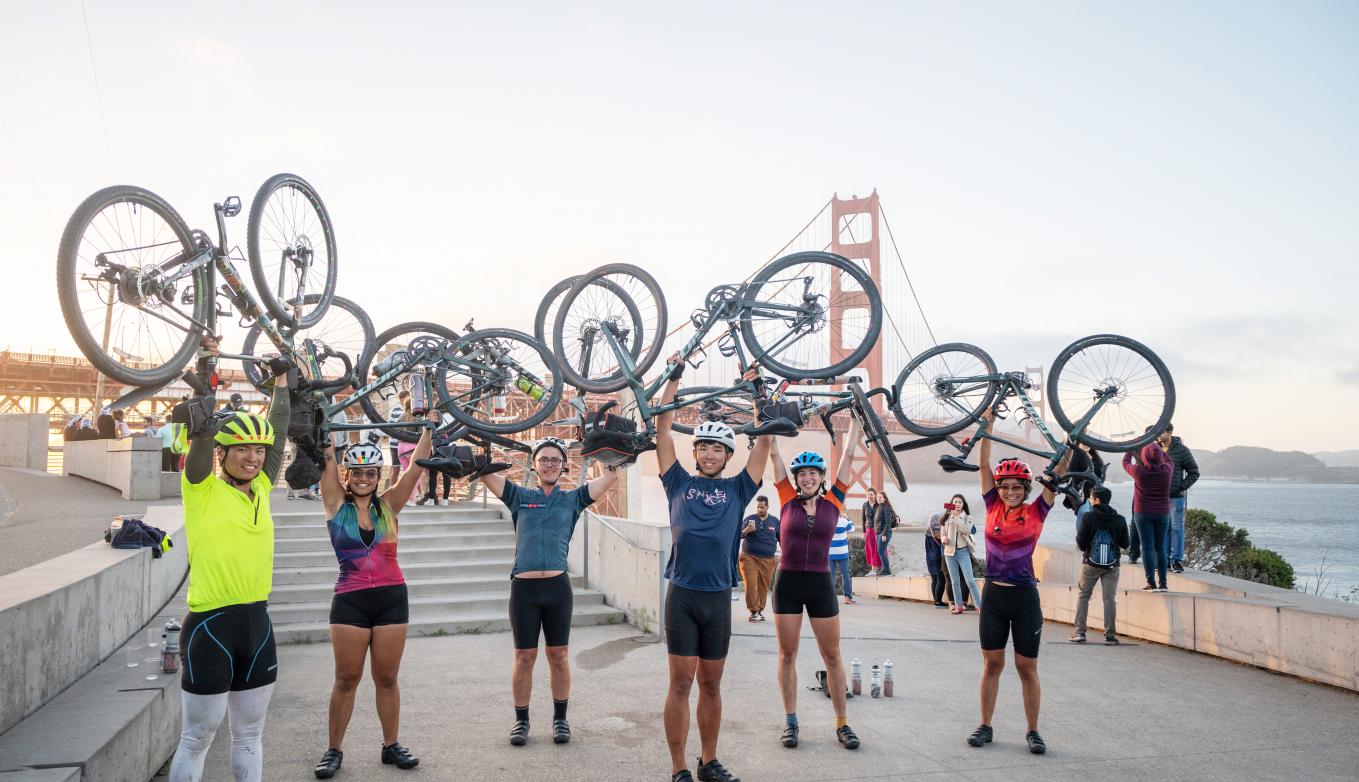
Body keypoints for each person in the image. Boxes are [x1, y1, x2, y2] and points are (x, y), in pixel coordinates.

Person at [169, 338, 290, 782]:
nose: (253, 457)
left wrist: (281, 380)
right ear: (223, 454)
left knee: (250, 735)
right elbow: (201, 440)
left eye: (257, 451)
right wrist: (207, 369)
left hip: (257, 623)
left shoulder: (260, 488)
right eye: (241, 449)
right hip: (210, 625)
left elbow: (276, 425)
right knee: (197, 738)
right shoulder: (201, 489)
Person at [656, 357, 770, 782]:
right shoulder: (677, 483)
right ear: (695, 451)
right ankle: (679, 768)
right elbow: (662, 428)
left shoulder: (739, 488)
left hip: (718, 598)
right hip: (682, 596)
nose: (708, 453)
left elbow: (764, 443)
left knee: (711, 686)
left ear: (726, 455)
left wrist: (757, 387)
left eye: (717, 448)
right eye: (703, 446)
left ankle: (708, 761)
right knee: (681, 685)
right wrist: (674, 377)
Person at [479, 436, 620, 747]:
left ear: (564, 466)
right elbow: (485, 473)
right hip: (524, 590)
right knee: (524, 658)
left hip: (557, 588)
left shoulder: (572, 499)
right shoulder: (518, 495)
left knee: (558, 656)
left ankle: (560, 719)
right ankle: (521, 721)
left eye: (556, 459)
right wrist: (481, 455)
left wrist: (601, 449)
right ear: (534, 465)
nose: (550, 464)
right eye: (544, 459)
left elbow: (610, 477)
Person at [312, 422, 434, 777]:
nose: (364, 478)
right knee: (346, 678)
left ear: (378, 475)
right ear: (347, 475)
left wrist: (428, 429)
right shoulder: (335, 503)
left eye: (370, 472)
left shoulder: (389, 505)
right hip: (350, 600)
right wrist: (324, 428)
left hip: (392, 599)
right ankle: (334, 750)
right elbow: (327, 461)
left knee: (387, 678)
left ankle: (391, 745)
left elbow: (415, 469)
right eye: (357, 472)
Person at [967, 410, 1069, 756]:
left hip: (1025, 597)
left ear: (1026, 489)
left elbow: (1060, 472)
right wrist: (989, 425)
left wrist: (1069, 442)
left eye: (1016, 487)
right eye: (1005, 486)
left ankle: (1033, 731)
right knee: (992, 665)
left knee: (1027, 668)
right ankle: (985, 725)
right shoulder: (992, 505)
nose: (1010, 491)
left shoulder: (1038, 510)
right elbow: (983, 466)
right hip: (994, 595)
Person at [767, 427, 864, 752]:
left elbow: (848, 456)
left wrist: (857, 424)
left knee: (832, 655)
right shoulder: (785, 499)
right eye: (802, 474)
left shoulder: (834, 500)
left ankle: (842, 724)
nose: (807, 478)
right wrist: (763, 417)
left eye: (813, 473)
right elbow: (774, 454)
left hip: (820, 582)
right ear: (796, 479)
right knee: (788, 654)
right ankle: (791, 722)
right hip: (789, 583)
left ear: (821, 477)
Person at [1069, 486, 1130, 645]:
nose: (1089, 500)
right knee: (1109, 599)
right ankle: (1110, 635)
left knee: (1084, 596)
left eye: (1091, 498)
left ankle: (1079, 632)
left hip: (1090, 563)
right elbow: (1125, 544)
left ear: (1096, 500)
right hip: (1112, 566)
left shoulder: (1088, 517)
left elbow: (1081, 542)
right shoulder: (1120, 519)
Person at [1124, 441, 1173, 592]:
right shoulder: (1167, 470)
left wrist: (1130, 447)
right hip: (1163, 513)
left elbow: (1125, 462)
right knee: (1160, 548)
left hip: (1143, 513)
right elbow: (1168, 459)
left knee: (1147, 548)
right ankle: (1163, 584)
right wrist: (1157, 447)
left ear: (1144, 457)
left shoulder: (1139, 471)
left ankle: (1151, 583)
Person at [1159, 423, 1199, 573]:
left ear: (1169, 432)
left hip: (1175, 497)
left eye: (1161, 431)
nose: (1158, 434)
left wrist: (1180, 486)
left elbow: (1194, 472)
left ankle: (1177, 560)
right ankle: (1165, 560)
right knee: (1163, 529)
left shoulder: (1182, 450)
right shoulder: (1155, 449)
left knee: (1176, 528)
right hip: (1158, 498)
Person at [738, 496, 779, 622]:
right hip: (749, 557)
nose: (759, 509)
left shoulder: (775, 521)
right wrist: (747, 530)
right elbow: (738, 535)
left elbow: (782, 538)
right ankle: (753, 611)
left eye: (762, 507)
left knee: (763, 586)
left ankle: (759, 610)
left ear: (767, 507)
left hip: (768, 560)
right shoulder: (749, 519)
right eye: (758, 506)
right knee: (751, 584)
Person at [940, 494, 980, 614]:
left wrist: (956, 517)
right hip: (949, 552)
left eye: (960, 502)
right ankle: (958, 606)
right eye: (955, 502)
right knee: (954, 581)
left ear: (963, 505)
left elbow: (967, 531)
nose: (957, 504)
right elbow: (942, 532)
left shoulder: (968, 518)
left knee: (970, 581)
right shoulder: (946, 518)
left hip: (963, 552)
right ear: (951, 504)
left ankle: (979, 606)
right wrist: (943, 539)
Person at [829, 513, 855, 605]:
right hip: (842, 553)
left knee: (830, 576)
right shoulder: (844, 522)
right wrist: (848, 518)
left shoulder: (827, 521)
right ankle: (848, 597)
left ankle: (830, 598)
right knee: (845, 575)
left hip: (830, 552)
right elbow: (852, 529)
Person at [871, 493, 898, 576]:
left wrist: (884, 534)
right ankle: (884, 569)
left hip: (884, 533)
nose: (878, 499)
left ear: (884, 498)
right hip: (879, 532)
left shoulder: (886, 508)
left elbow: (888, 522)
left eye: (880, 497)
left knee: (881, 551)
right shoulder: (879, 507)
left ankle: (887, 571)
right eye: (877, 497)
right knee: (880, 551)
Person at [925, 524, 947, 607]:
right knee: (941, 580)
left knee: (934, 580)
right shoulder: (937, 534)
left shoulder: (928, 532)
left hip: (929, 557)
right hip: (938, 557)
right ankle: (938, 602)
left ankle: (936, 601)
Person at [862, 489, 881, 574]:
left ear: (875, 495)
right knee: (870, 549)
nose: (869, 496)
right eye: (868, 494)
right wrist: (864, 532)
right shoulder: (865, 505)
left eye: (871, 494)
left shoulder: (879, 504)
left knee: (879, 549)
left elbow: (888, 511)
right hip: (868, 529)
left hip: (878, 529)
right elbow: (863, 519)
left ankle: (881, 568)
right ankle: (873, 569)